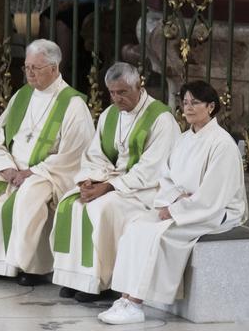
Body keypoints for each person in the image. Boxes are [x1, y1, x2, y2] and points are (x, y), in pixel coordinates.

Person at [98, 80, 248, 325]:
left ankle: (136, 303)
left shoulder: (222, 144)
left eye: (195, 103)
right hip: (180, 205)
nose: (188, 108)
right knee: (135, 227)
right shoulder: (184, 138)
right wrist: (171, 200)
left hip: (215, 211)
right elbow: (166, 176)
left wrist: (178, 208)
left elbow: (213, 194)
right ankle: (124, 298)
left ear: (211, 107)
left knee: (159, 235)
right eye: (185, 102)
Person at [0, 39, 94, 285]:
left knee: (27, 198)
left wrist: (32, 172)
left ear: (54, 68)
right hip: (11, 169)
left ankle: (29, 267)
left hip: (46, 174)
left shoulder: (73, 104)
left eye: (36, 68)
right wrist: (8, 167)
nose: (30, 73)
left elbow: (73, 154)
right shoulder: (22, 97)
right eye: (27, 67)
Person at [50, 62, 179, 302]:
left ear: (138, 86)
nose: (117, 98)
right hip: (111, 182)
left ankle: (105, 282)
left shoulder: (161, 119)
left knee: (102, 209)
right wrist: (90, 180)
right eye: (112, 93)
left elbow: (153, 168)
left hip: (146, 190)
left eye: (122, 92)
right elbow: (94, 155)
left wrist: (108, 187)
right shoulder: (109, 115)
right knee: (72, 203)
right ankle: (75, 277)